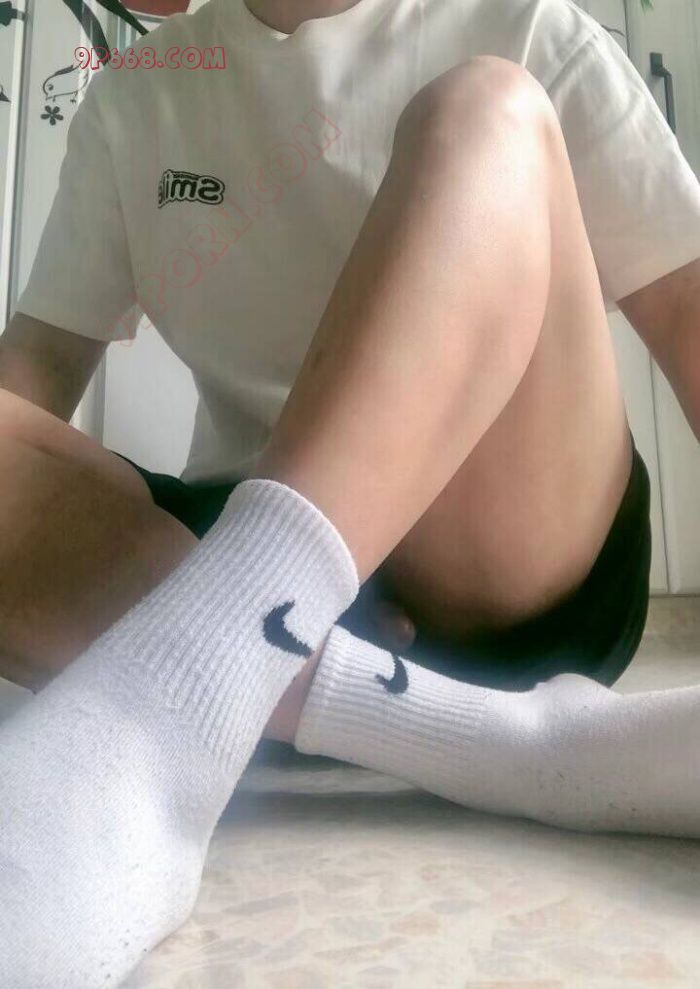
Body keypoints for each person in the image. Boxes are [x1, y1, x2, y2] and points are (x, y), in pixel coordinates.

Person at [2, 0, 700, 984]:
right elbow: (32, 371)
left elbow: (689, 313)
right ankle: (506, 744)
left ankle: (162, 724)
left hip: (511, 551)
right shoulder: (138, 94)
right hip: (253, 581)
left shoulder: (529, 24)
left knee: (488, 112)